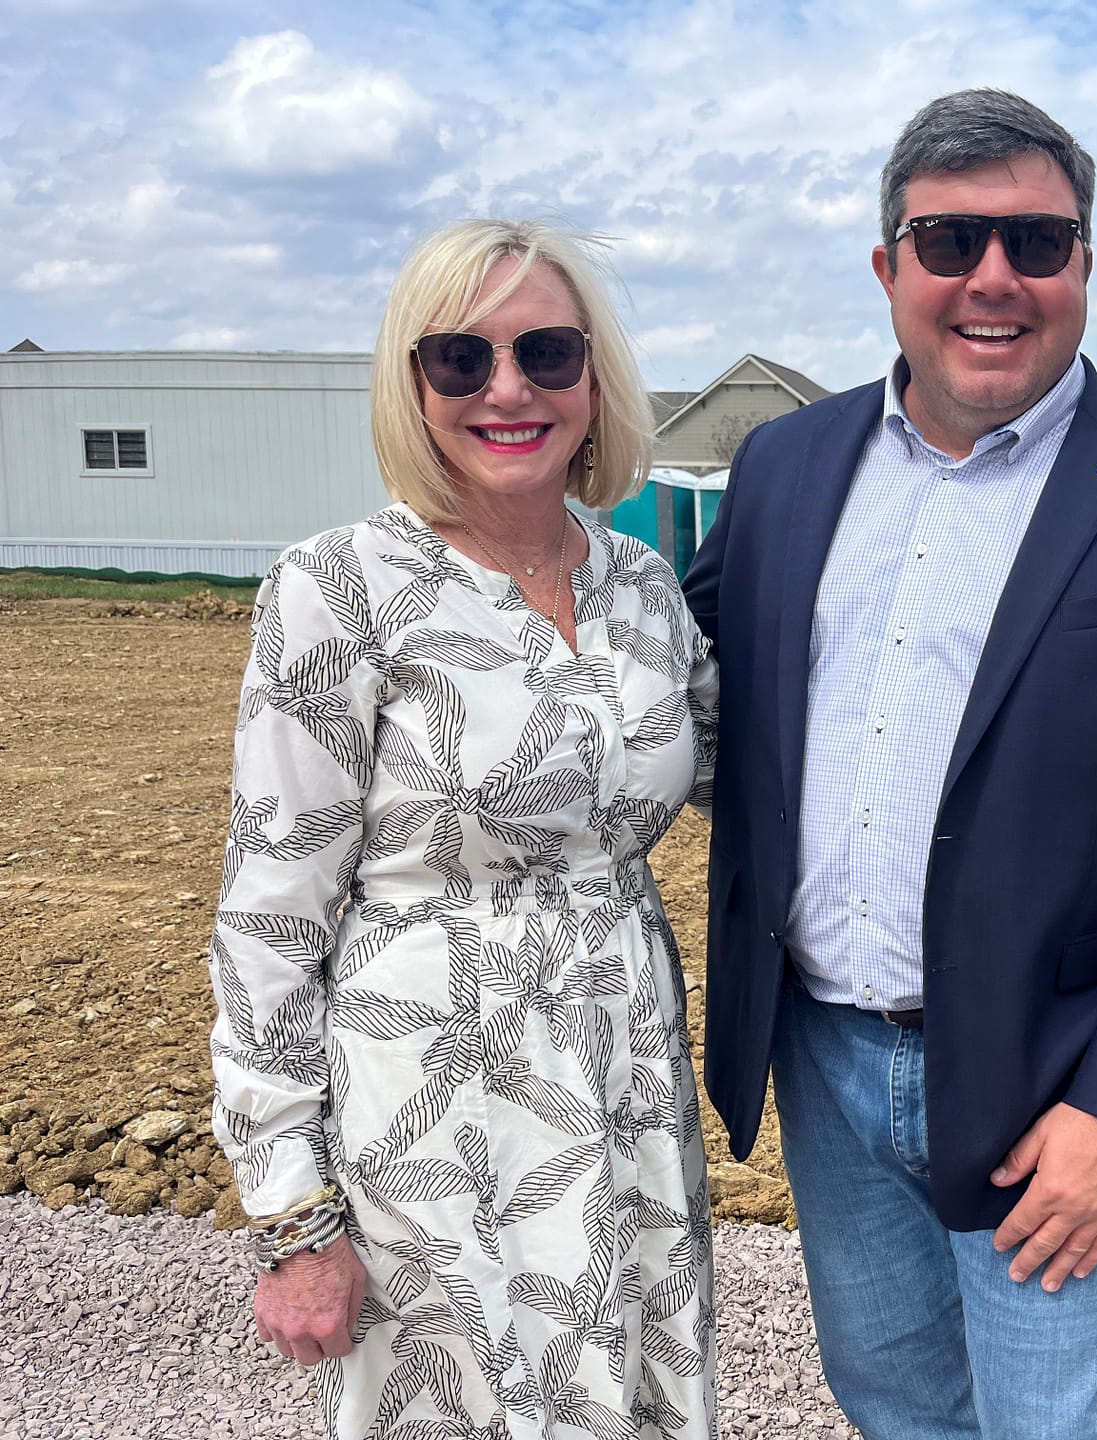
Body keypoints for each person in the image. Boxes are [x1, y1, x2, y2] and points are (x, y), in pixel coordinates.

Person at [682, 89, 1097, 1439]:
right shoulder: (783, 464)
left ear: (1085, 263)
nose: (993, 279)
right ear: (889, 267)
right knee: (894, 1403)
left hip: (1048, 1080)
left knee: (1057, 1422)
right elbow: (673, 676)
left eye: (1036, 241)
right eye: (949, 242)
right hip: (824, 1058)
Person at [208, 218, 718, 1440]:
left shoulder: (642, 584)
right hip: (434, 1108)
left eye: (548, 353)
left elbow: (745, 769)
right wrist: (292, 1217)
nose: (509, 390)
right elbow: (270, 914)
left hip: (627, 1084)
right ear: (411, 382)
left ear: (595, 382)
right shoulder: (338, 588)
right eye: (461, 360)